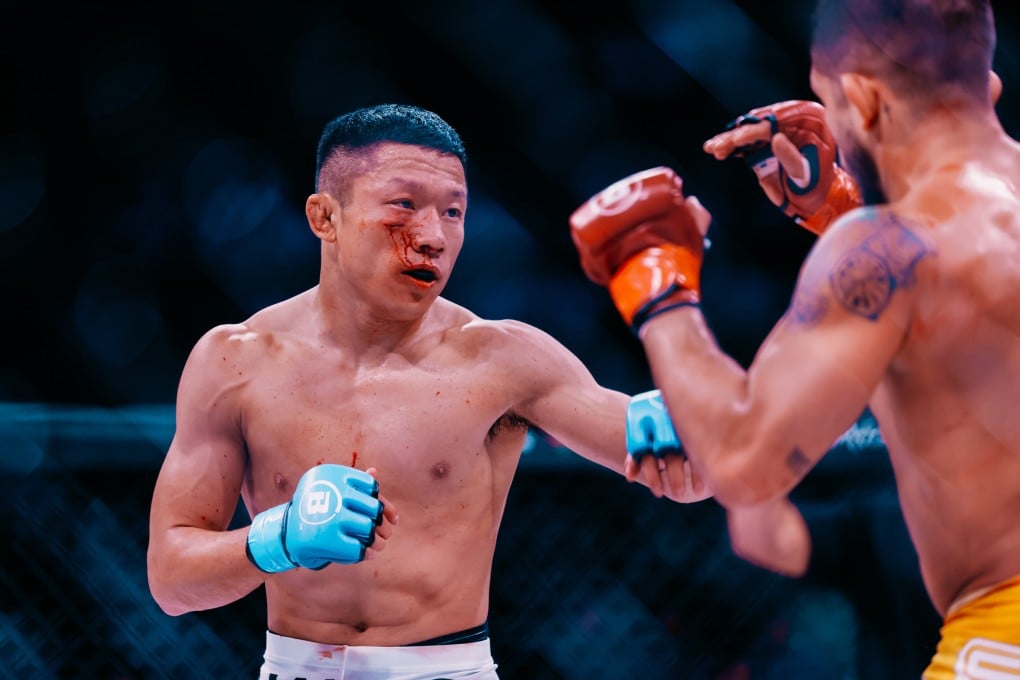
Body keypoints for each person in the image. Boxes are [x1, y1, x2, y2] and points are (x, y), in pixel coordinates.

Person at [146, 103, 705, 680]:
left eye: (454, 212)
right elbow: (171, 579)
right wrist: (278, 537)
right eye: (403, 205)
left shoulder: (504, 359)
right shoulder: (235, 361)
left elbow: (692, 473)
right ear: (324, 217)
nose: (433, 237)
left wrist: (687, 399)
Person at [567, 1, 1020, 678]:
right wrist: (845, 204)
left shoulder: (887, 247)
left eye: (830, 103)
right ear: (986, 82)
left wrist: (654, 278)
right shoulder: (928, 235)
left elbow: (745, 460)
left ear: (863, 101)